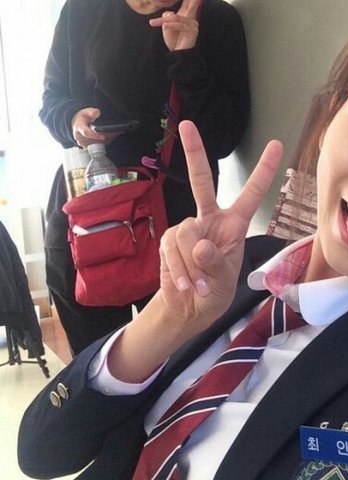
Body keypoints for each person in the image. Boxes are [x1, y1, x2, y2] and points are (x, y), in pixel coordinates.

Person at [19, 0, 348, 478]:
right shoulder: (237, 266)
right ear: (327, 121)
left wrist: (187, 57)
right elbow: (41, 455)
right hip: (88, 211)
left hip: (164, 201)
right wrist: (165, 322)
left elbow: (223, 132)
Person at [40, 0, 250, 354]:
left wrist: (186, 58)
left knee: (175, 368)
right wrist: (74, 120)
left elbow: (224, 137)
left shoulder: (216, 19)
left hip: (175, 227)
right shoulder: (83, 9)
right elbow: (52, 100)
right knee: (96, 366)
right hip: (87, 223)